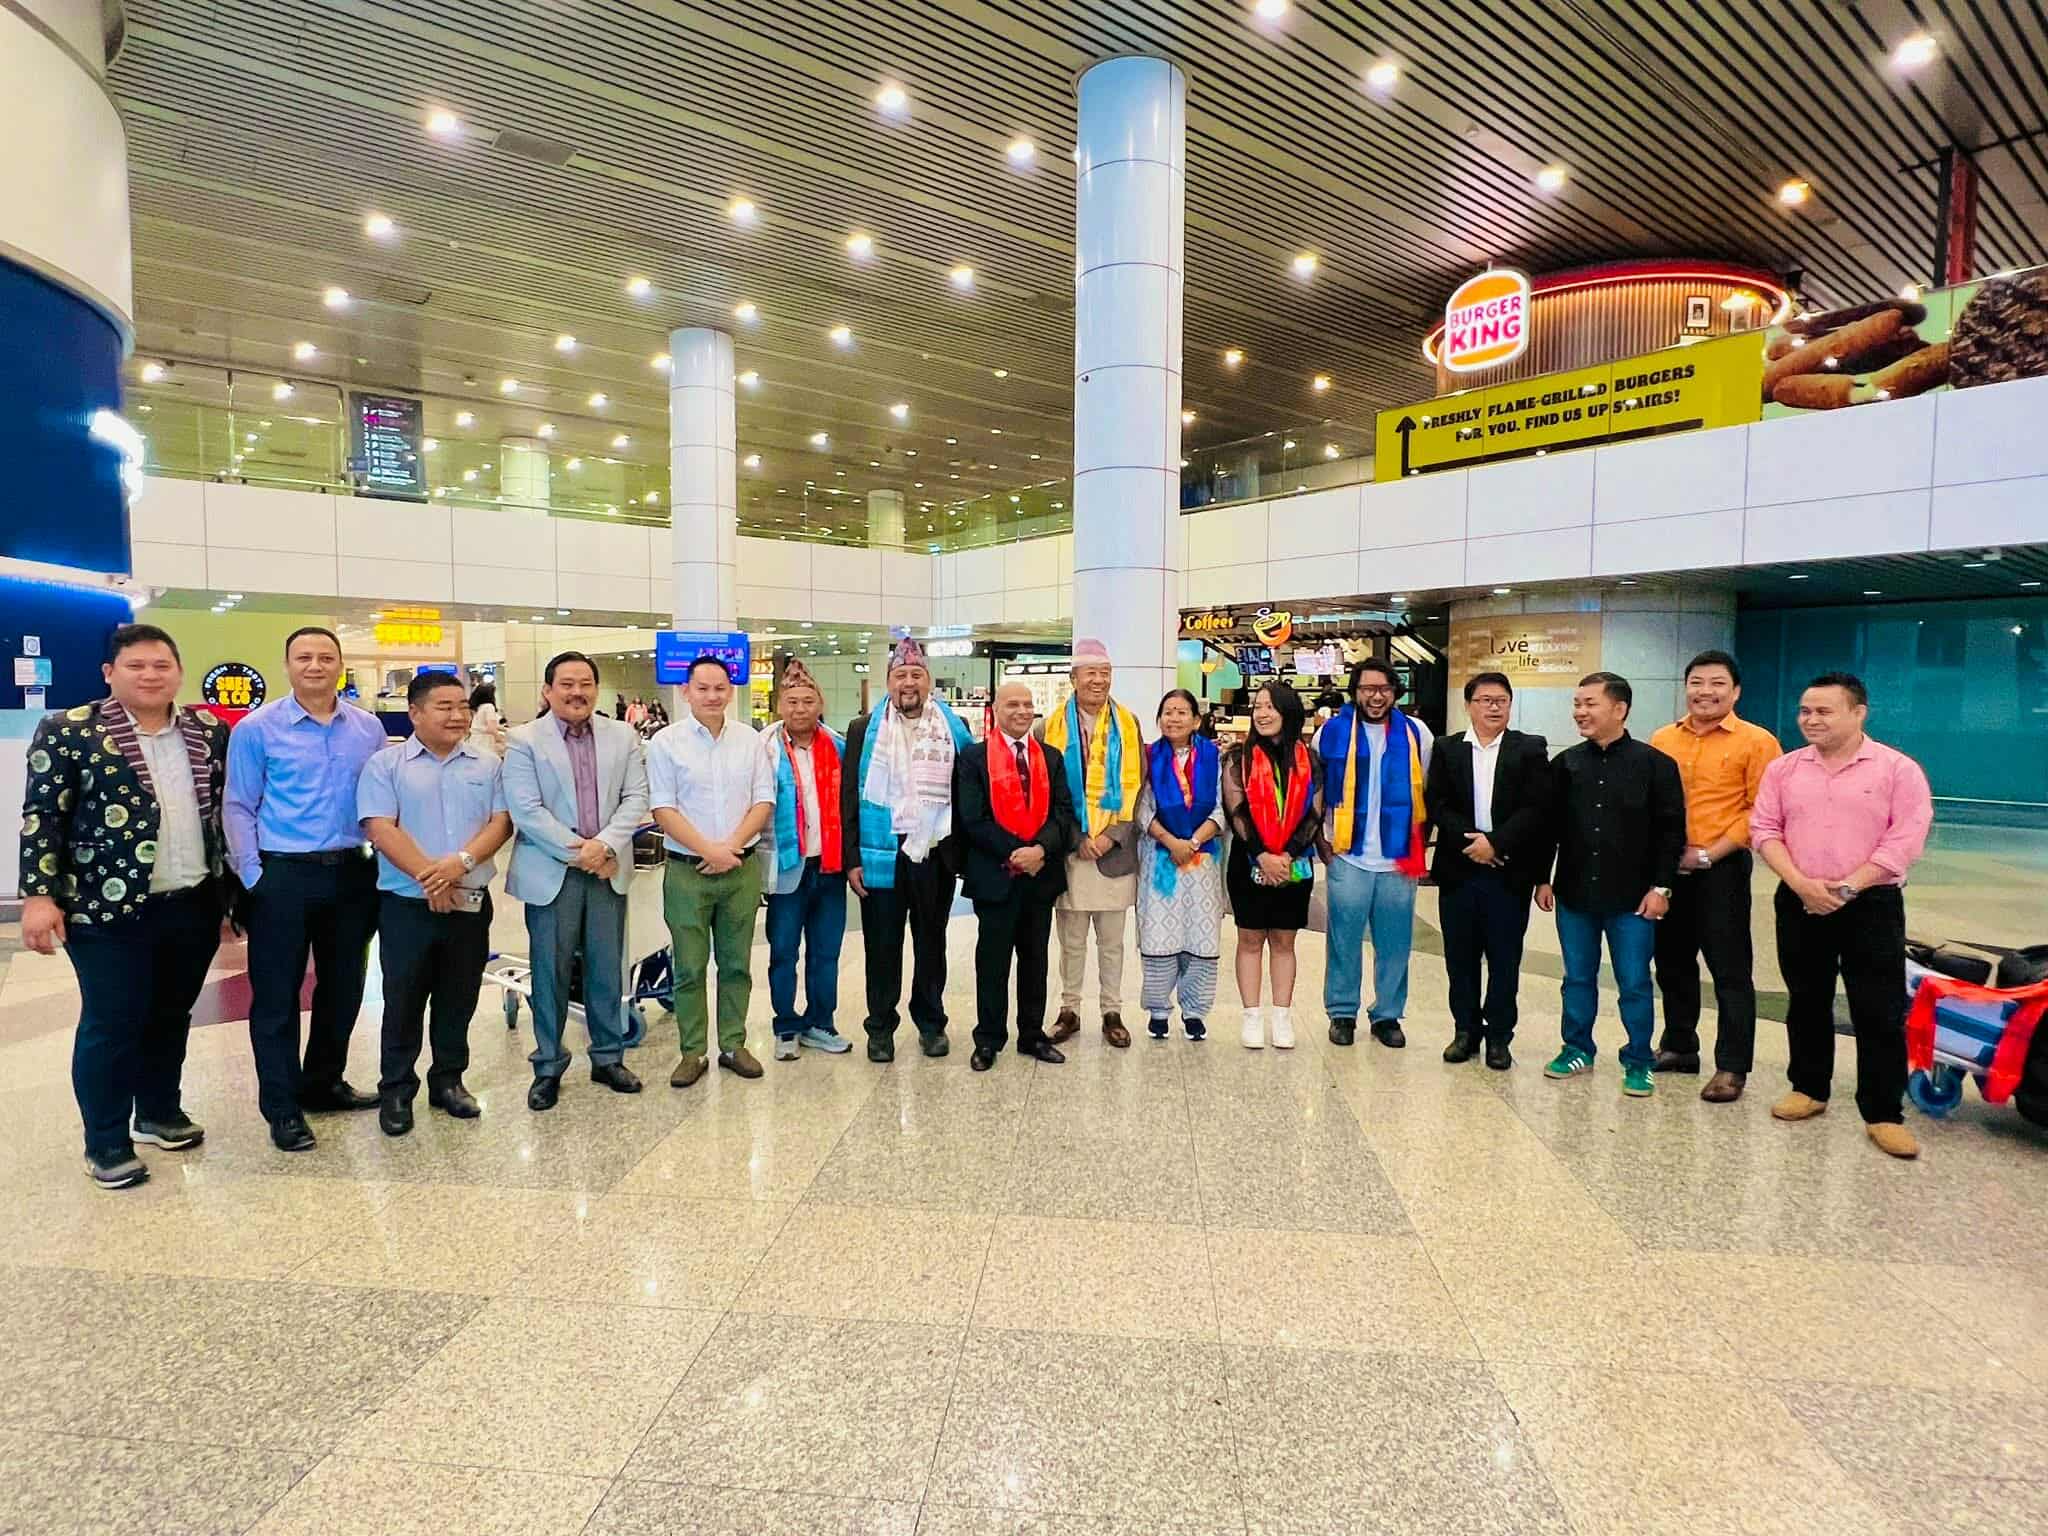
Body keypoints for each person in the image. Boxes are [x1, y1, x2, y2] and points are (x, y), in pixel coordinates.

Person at [18, 624, 231, 1189]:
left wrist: (230, 896)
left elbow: (221, 812)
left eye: (162, 665)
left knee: (171, 1015)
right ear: (109, 673)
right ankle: (106, 1141)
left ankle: (158, 1112)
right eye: (136, 666)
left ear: (179, 672)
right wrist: (38, 895)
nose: (150, 675)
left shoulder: (208, 730)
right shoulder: (69, 729)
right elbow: (43, 815)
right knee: (112, 1022)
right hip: (103, 908)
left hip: (192, 900)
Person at [1751, 672, 1933, 1159]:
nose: (1811, 720)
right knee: (1806, 999)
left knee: (1878, 1009)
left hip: (1871, 903)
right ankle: (1809, 1088)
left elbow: (1905, 839)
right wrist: (1801, 884)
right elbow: (1764, 829)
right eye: (1805, 711)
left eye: (1824, 711)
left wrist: (1850, 886)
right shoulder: (1784, 769)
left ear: (1858, 713)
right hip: (1800, 898)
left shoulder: (1897, 770)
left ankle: (1883, 1112)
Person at [225, 624, 389, 1152]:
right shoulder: (257, 728)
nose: (315, 666)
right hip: (283, 875)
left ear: (340, 664)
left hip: (352, 873)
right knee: (276, 996)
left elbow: (382, 800)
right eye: (303, 657)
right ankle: (282, 1107)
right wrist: (254, 877)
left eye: (325, 657)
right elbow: (238, 805)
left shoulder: (367, 728)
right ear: (288, 665)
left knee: (344, 987)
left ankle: (323, 1082)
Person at [357, 673, 512, 1135]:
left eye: (463, 706)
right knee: (403, 999)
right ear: (415, 713)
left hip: (470, 902)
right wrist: (431, 876)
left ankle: (448, 1081)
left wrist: (458, 865)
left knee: (458, 997)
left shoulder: (487, 764)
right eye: (444, 706)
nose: (457, 715)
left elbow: (501, 823)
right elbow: (380, 828)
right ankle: (396, 1090)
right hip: (406, 905)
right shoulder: (385, 765)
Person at [502, 650, 651, 1110]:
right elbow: (526, 811)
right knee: (550, 971)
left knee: (606, 968)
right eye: (566, 684)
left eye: (585, 683)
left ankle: (608, 1057)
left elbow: (636, 797)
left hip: (607, 870)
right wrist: (582, 852)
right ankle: (548, 1065)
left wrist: (603, 846)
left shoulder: (622, 735)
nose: (577, 692)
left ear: (596, 689)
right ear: (548, 691)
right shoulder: (524, 740)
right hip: (553, 874)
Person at [1535, 672, 1686, 1097]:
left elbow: (1671, 832)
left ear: (1619, 709)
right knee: (1577, 978)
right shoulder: (1566, 764)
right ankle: (1576, 1048)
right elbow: (1549, 827)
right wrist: (1542, 878)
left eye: (1590, 704)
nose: (1579, 712)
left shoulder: (1656, 765)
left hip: (1633, 899)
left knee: (1634, 982)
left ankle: (1638, 1059)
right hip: (1574, 894)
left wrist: (1662, 888)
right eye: (1577, 704)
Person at [1648, 649, 1782, 1103]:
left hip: (1721, 869)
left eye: (1717, 683)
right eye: (1697, 682)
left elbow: (1760, 809)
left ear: (1736, 691)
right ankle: (1680, 1046)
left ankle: (1732, 1066)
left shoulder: (1757, 741)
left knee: (1729, 968)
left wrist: (1707, 854)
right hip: (1669, 868)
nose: (1706, 692)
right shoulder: (1663, 738)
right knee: (1671, 963)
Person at [841, 635, 974, 1062]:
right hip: (880, 852)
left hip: (933, 851)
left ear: (928, 681)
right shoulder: (863, 729)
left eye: (916, 674)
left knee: (931, 943)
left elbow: (968, 793)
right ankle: (880, 1028)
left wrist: (964, 855)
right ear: (889, 682)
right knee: (881, 946)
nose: (909, 682)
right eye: (901, 675)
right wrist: (852, 858)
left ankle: (931, 1024)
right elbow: (849, 796)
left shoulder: (954, 727)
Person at [647, 654, 775, 1086]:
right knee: (689, 967)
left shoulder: (749, 740)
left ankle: (734, 1044)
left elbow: (763, 800)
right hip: (688, 871)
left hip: (740, 869)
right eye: (702, 688)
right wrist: (710, 851)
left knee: (737, 964)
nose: (712, 696)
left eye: (720, 688)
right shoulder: (665, 743)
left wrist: (730, 848)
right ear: (686, 692)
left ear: (730, 691)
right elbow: (663, 808)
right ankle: (692, 1051)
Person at [1423, 672, 1549, 1070]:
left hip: (1508, 871)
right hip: (1458, 870)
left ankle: (1499, 1037)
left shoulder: (1530, 748)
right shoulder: (1447, 748)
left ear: (1510, 705)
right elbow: (1437, 803)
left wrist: (1496, 843)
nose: (1493, 707)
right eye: (1485, 700)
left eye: (1501, 700)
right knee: (1459, 958)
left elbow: (1536, 808)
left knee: (1504, 959)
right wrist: (1474, 843)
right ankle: (1465, 1031)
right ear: (1469, 705)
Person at [955, 680, 1081, 1070]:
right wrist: (1017, 852)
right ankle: (988, 1039)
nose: (1022, 711)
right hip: (995, 875)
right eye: (1013, 704)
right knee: (992, 961)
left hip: (1039, 876)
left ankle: (1031, 1035)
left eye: (1027, 704)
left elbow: (1063, 813)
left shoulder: (1051, 757)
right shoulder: (974, 758)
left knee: (1035, 960)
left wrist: (1039, 849)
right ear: (995, 709)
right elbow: (972, 819)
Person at [1316, 658, 1433, 1050]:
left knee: (1395, 943)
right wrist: (1320, 840)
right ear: (1355, 692)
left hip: (1398, 858)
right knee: (1343, 941)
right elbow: (1317, 790)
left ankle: (1387, 1015)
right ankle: (1342, 1013)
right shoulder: (1330, 733)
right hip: (1348, 855)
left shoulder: (1417, 733)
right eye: (1367, 688)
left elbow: (1426, 790)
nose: (1376, 696)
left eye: (1383, 688)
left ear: (1395, 691)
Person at [1040, 639, 1142, 1049]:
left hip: (1113, 852)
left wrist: (1110, 836)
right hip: (1071, 853)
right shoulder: (1049, 727)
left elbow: (1138, 788)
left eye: (1105, 673)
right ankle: (1069, 1010)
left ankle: (1112, 1011)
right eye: (1091, 673)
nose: (1098, 681)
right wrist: (1078, 837)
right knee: (1072, 942)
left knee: (1112, 942)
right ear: (1074, 679)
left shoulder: (1128, 725)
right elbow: (1046, 795)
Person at [759, 657, 851, 1060]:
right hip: (786, 865)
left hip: (829, 866)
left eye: (807, 701)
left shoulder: (839, 748)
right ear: (780, 706)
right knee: (783, 951)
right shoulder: (763, 750)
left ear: (820, 704)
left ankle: (820, 1023)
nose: (800, 709)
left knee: (825, 952)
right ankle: (785, 1026)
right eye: (792, 702)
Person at [1221, 682, 1319, 1049]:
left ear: (1288, 712)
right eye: (1258, 707)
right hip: (1248, 860)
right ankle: (1251, 1016)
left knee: (1284, 940)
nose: (1262, 714)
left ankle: (1282, 1016)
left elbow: (1314, 813)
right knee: (1249, 939)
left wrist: (1287, 856)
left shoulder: (1309, 758)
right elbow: (1236, 811)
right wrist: (1262, 854)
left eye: (1270, 706)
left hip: (1294, 864)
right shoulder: (1238, 758)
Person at [1134, 689, 1225, 1041]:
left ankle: (1195, 1011)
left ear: (1196, 720)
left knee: (1201, 937)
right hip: (1160, 859)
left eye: (1182, 712)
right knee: (1159, 935)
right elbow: (1141, 808)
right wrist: (1172, 842)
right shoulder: (1148, 757)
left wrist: (1193, 842)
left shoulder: (1214, 757)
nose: (1174, 718)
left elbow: (1221, 807)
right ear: (1159, 719)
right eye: (1167, 712)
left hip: (1203, 860)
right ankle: (1158, 1010)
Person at [467, 681, 506, 756]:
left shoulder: (479, 707)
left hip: (475, 740)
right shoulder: (489, 706)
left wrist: (506, 730)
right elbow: (491, 728)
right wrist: (499, 739)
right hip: (485, 741)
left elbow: (485, 725)